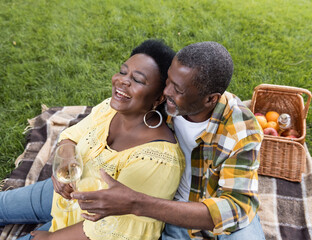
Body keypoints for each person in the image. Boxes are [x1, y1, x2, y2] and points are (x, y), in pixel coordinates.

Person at [71, 41, 266, 239]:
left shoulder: (241, 130)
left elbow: (236, 207)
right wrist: (67, 147)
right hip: (171, 211)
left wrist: (137, 203)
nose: (166, 93)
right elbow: (108, 114)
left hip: (218, 219)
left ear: (210, 99)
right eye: (167, 81)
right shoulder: (161, 102)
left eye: (178, 90)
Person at [0, 39, 185, 240]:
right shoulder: (109, 109)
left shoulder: (158, 160)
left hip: (93, 226)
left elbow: (116, 230)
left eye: (138, 80)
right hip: (63, 195)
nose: (122, 81)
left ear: (158, 98)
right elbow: (71, 136)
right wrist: (65, 161)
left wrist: (50, 238)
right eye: (123, 72)